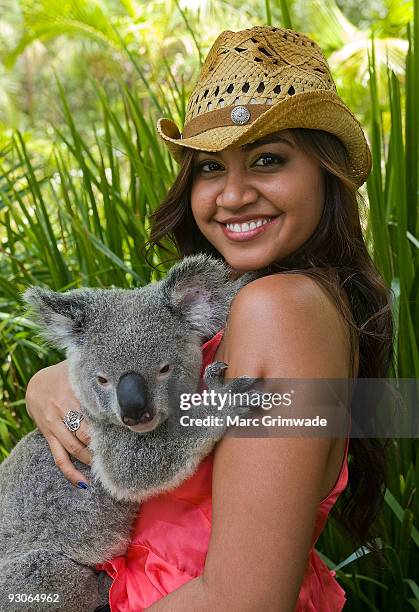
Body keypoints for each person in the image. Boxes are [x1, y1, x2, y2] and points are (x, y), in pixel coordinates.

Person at [25, 25, 393, 611]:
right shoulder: (256, 301)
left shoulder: (280, 310)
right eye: (211, 168)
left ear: (328, 172)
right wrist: (53, 385)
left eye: (268, 159)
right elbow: (199, 407)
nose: (233, 195)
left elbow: (241, 598)